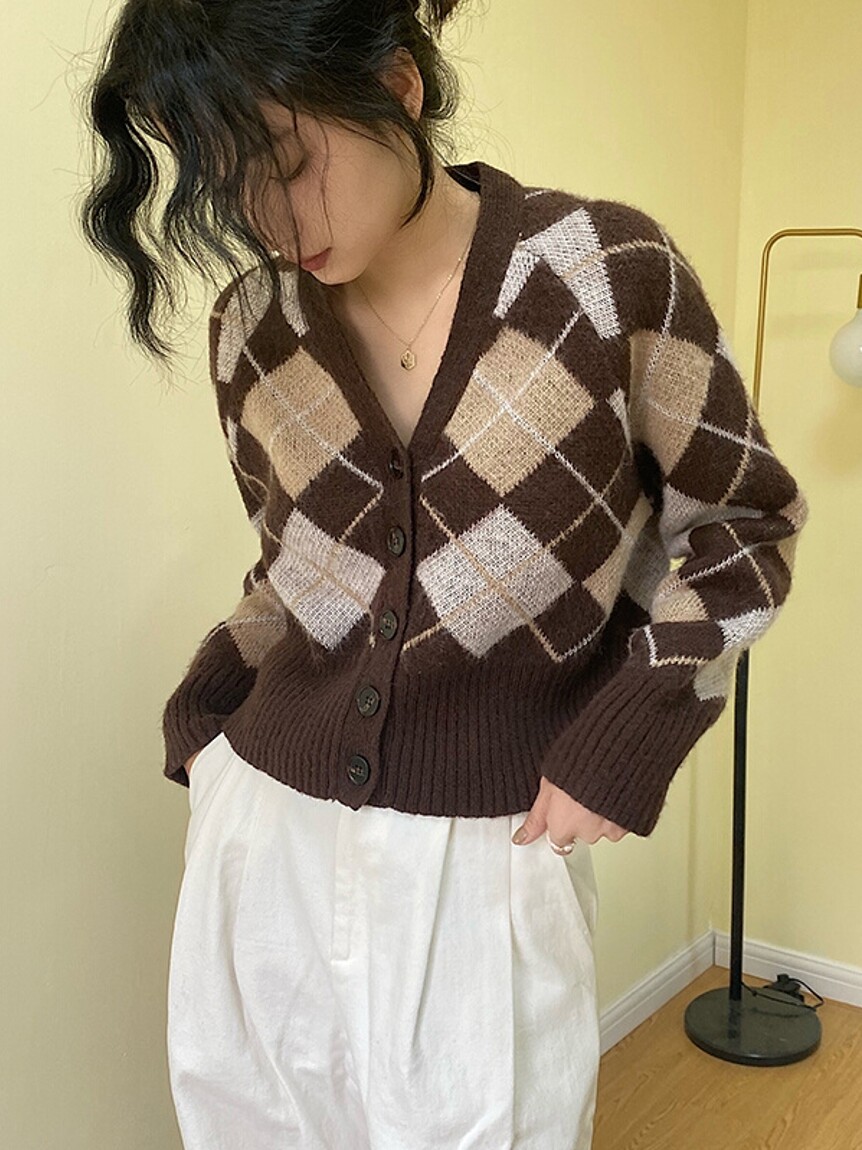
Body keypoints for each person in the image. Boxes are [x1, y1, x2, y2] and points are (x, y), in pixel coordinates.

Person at [79, 1, 809, 1147]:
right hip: (262, 839)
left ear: (397, 86)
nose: (268, 221)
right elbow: (295, 575)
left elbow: (744, 526)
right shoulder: (251, 329)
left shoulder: (606, 277)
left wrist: (632, 726)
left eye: (286, 162)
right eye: (225, 184)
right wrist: (207, 718)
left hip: (489, 855)